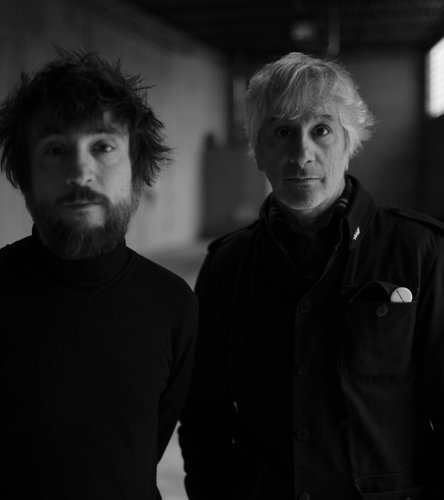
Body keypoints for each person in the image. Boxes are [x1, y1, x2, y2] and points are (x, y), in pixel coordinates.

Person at [178, 52, 444, 499]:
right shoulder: (227, 265)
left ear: (349, 142)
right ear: (258, 151)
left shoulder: (420, 251)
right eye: (281, 132)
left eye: (321, 130)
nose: (301, 155)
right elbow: (205, 415)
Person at [0, 49, 197, 499]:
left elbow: (145, 449)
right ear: (25, 176)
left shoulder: (173, 304)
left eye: (103, 147)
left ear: (137, 169)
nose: (81, 172)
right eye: (56, 150)